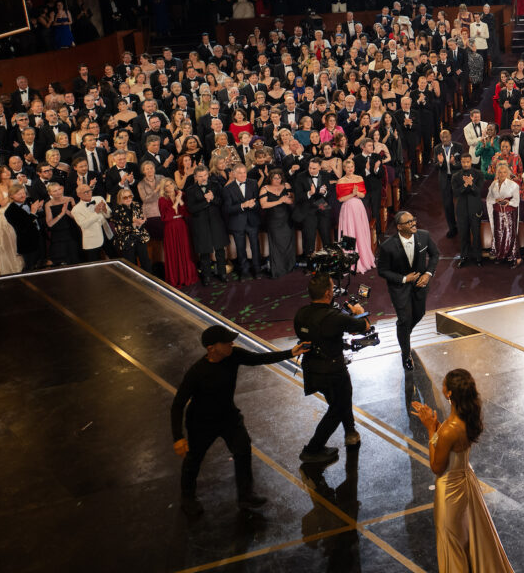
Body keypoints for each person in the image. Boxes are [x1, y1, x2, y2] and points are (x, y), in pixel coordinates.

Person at [172, 324, 308, 516]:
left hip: (228, 417)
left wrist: (290, 352)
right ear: (212, 348)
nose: (231, 343)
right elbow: (178, 404)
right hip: (201, 423)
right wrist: (178, 437)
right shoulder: (197, 372)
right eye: (226, 342)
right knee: (194, 460)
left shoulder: (233, 355)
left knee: (243, 449)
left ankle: (245, 495)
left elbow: (259, 359)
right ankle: (188, 498)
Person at [410, 369, 514, 572]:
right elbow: (452, 447)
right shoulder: (465, 420)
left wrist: (431, 429)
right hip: (467, 487)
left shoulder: (449, 430)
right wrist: (437, 425)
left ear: (449, 393)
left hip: (449, 493)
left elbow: (437, 467)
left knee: (452, 547)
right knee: (473, 543)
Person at [293, 272, 371, 463]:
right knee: (338, 408)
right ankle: (313, 449)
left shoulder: (301, 314)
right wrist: (360, 312)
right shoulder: (335, 317)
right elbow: (364, 327)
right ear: (328, 294)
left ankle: (351, 433)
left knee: (338, 403)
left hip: (312, 370)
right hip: (334, 372)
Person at [376, 211, 438, 370]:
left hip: (420, 285)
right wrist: (404, 279)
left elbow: (435, 255)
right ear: (399, 227)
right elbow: (382, 270)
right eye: (409, 222)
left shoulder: (424, 236)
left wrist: (428, 274)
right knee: (404, 320)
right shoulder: (387, 246)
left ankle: (404, 334)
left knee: (419, 314)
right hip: (399, 288)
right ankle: (406, 354)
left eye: (413, 220)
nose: (413, 224)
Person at [222, 163, 263, 280]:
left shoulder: (253, 183)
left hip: (252, 220)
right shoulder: (227, 189)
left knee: (255, 246)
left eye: (244, 172)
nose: (243, 175)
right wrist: (243, 205)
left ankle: (257, 270)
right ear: (234, 174)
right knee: (240, 248)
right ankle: (244, 271)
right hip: (237, 222)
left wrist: (253, 205)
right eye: (240, 173)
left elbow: (259, 202)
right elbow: (227, 209)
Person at [259, 169, 295, 278]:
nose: (277, 180)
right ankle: (278, 269)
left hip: (287, 219)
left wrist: (287, 200)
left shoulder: (287, 185)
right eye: (275, 178)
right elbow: (264, 205)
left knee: (288, 244)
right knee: (276, 245)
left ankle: (289, 266)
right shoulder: (264, 188)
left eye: (279, 178)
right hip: (273, 220)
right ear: (270, 178)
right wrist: (280, 200)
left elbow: (291, 201)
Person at [485, 158, 522, 266]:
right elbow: (488, 199)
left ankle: (514, 256)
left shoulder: (513, 185)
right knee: (499, 234)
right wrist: (495, 200)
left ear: (508, 173)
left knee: (510, 234)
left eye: (504, 172)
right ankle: (501, 255)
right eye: (500, 172)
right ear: (497, 173)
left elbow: (516, 201)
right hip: (497, 213)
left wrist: (508, 203)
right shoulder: (493, 184)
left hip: (510, 213)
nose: (502, 174)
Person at [452, 153, 485, 266]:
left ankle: (478, 258)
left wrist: (471, 184)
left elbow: (478, 191)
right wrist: (465, 185)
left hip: (475, 209)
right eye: (463, 162)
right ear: (461, 162)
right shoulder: (455, 176)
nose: (465, 164)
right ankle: (464, 257)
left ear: (471, 162)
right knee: (463, 235)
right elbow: (455, 193)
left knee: (476, 234)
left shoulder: (479, 174)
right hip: (461, 210)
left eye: (467, 162)